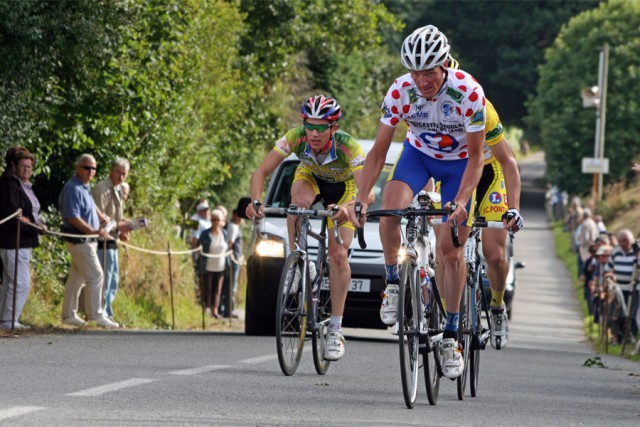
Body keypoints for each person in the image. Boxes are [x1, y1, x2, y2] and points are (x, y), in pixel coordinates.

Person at [348, 25, 490, 379]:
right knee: (391, 208)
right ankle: (394, 282)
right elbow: (379, 151)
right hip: (419, 156)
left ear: (444, 65)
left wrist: (460, 201)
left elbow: (476, 159)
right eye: (415, 72)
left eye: (429, 72)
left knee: (451, 249)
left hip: (460, 164)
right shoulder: (400, 91)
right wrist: (362, 197)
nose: (422, 80)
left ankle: (453, 335)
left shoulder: (468, 92)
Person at [246, 94, 365, 361]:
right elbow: (260, 172)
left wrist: (349, 208)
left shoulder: (348, 146)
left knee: (337, 255)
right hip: (310, 177)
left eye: (321, 127)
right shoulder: (296, 137)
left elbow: (366, 192)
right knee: (297, 204)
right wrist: (257, 202)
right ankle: (298, 259)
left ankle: (335, 330)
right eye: (309, 125)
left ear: (333, 127)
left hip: (344, 188)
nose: (313, 133)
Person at [428, 55, 523, 350]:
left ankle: (496, 307)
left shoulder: (483, 109)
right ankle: (448, 318)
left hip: (488, 173)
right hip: (455, 174)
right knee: (444, 251)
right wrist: (429, 195)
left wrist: (513, 207)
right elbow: (426, 157)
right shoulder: (429, 109)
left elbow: (508, 162)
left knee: (494, 254)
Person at [60, 154, 118, 328]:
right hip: (79, 240)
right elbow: (72, 217)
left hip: (87, 240)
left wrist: (104, 219)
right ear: (78, 167)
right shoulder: (73, 188)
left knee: (77, 278)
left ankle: (69, 315)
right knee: (96, 274)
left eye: (93, 168)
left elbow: (92, 207)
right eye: (86, 168)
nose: (90, 171)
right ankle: (95, 315)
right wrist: (93, 231)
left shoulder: (84, 187)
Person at [0, 147, 47, 329]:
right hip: (14, 242)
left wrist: (37, 223)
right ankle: (9, 320)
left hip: (21, 241)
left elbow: (30, 213)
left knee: (10, 281)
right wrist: (32, 227)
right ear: (14, 165)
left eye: (29, 166)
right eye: (23, 166)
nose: (27, 169)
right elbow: (14, 217)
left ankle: (5, 318)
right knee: (20, 282)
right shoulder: (11, 184)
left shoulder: (23, 185)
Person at [91, 157, 133, 321]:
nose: (121, 177)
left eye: (124, 174)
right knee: (104, 277)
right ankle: (100, 312)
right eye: (118, 173)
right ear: (111, 171)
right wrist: (118, 226)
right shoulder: (101, 189)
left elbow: (117, 218)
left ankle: (107, 311)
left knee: (113, 278)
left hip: (113, 240)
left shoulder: (118, 190)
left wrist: (123, 229)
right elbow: (99, 217)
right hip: (102, 240)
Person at [198, 209, 229, 318]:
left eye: (217, 220)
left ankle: (214, 311)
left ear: (221, 221)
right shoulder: (205, 234)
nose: (215, 222)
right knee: (207, 289)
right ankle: (206, 308)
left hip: (220, 266)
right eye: (213, 219)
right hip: (208, 266)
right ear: (211, 221)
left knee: (217, 290)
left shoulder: (224, 233)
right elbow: (199, 247)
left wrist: (228, 264)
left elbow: (228, 249)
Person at [610, 229, 638, 341]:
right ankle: (620, 336)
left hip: (634, 288)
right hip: (618, 288)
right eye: (621, 241)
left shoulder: (637, 252)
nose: (624, 244)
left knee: (631, 312)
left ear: (632, 240)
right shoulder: (615, 251)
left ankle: (631, 335)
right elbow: (609, 267)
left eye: (626, 241)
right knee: (620, 312)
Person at [220, 207, 243, 318]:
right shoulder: (233, 227)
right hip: (232, 261)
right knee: (231, 285)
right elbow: (230, 243)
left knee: (228, 285)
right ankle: (229, 310)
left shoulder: (231, 226)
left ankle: (225, 308)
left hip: (233, 259)